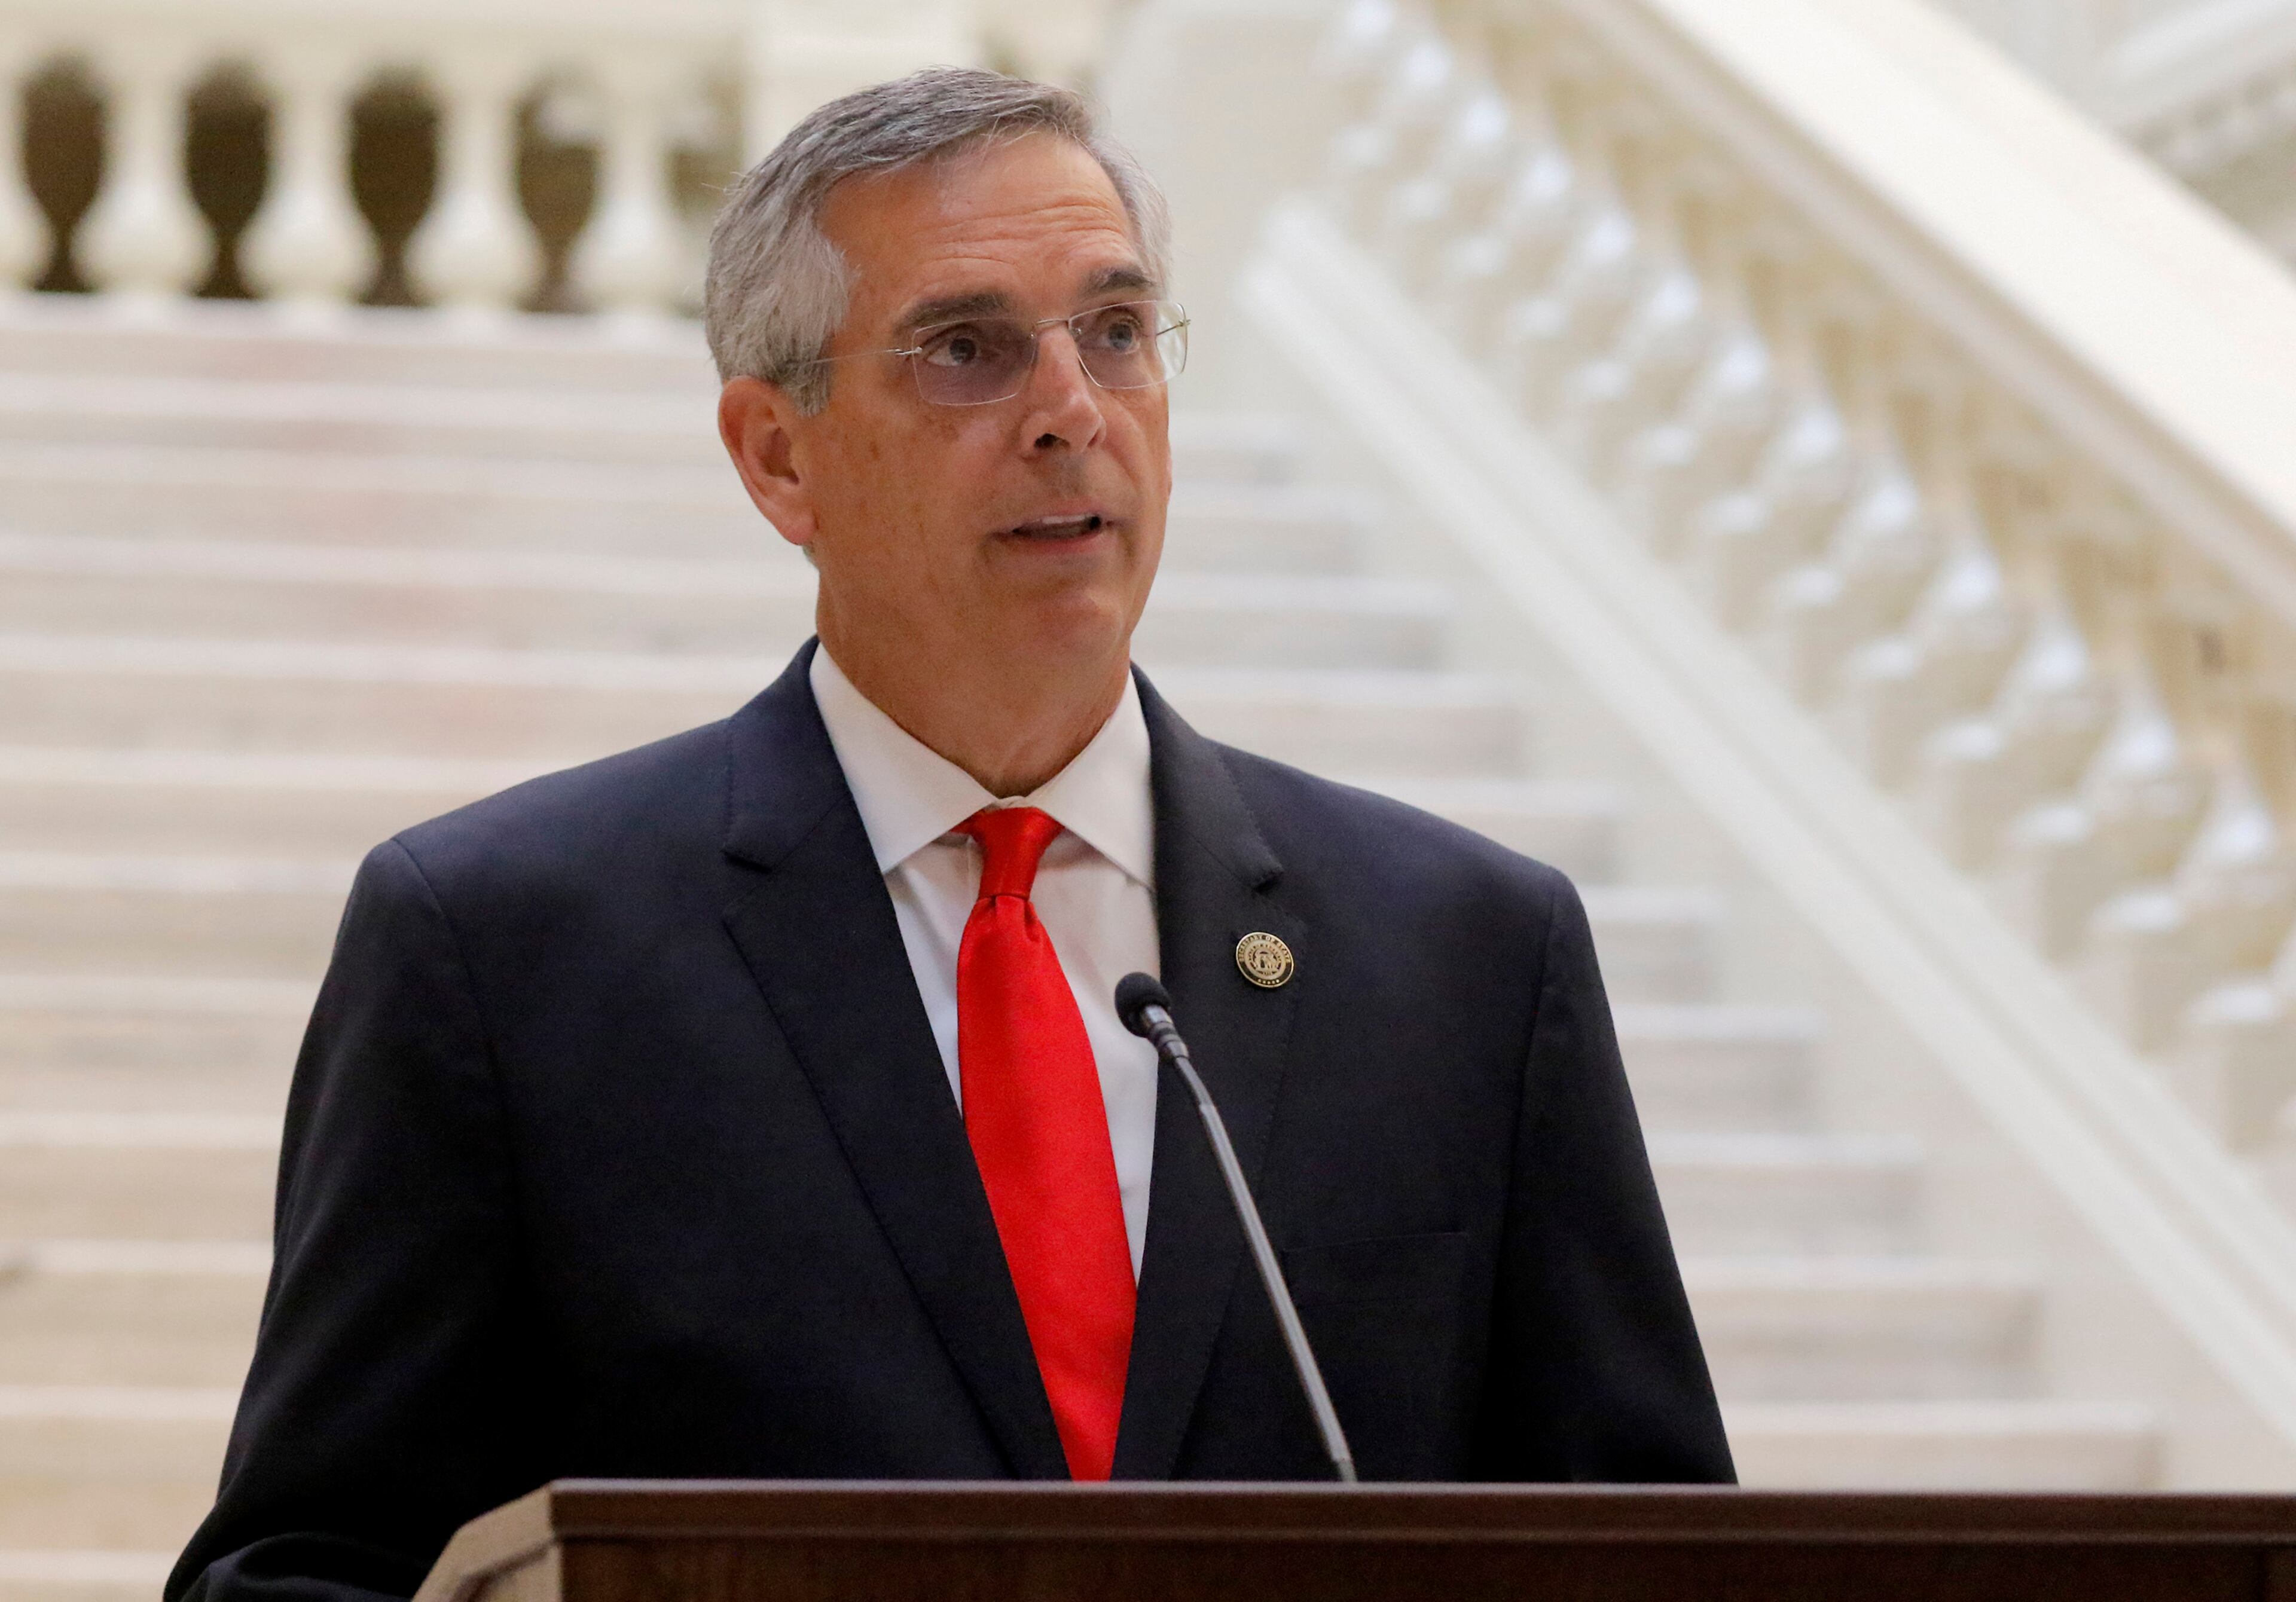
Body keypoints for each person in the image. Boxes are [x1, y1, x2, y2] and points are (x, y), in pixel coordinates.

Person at [167, 66, 1732, 1602]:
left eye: (1117, 333)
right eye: (969, 350)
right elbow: (304, 1570)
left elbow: (1664, 1559)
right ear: (781, 456)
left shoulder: (1462, 957)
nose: (1072, 413)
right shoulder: (502, 953)